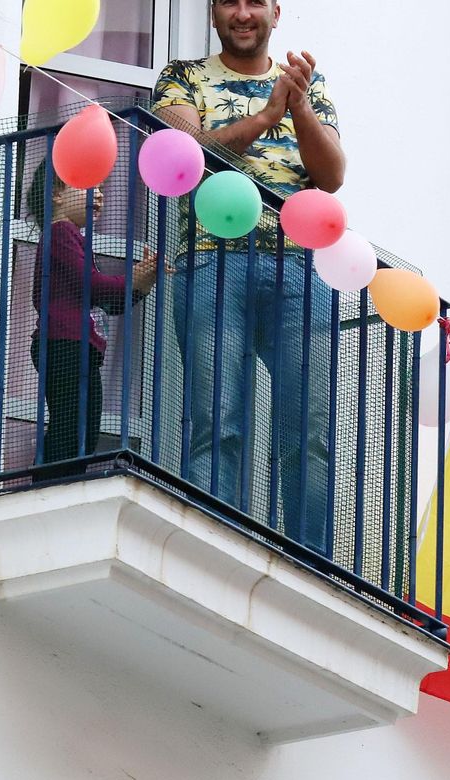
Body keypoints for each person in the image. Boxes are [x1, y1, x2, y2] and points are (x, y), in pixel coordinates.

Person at [152, 0, 344, 552]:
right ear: (213, 14)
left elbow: (330, 176)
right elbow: (186, 153)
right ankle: (218, 551)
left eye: (254, 2)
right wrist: (265, 116)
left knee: (307, 436)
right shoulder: (182, 77)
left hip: (298, 268)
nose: (242, 13)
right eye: (229, 2)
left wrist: (299, 107)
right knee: (219, 422)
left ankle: (313, 566)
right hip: (213, 259)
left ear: (275, 14)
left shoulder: (311, 85)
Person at [27, 163, 158, 466]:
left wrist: (141, 284)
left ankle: (66, 477)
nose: (99, 195)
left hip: (76, 347)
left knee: (81, 428)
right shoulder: (60, 232)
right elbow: (95, 287)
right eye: (89, 187)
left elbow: (110, 303)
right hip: (64, 344)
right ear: (57, 194)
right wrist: (133, 280)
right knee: (71, 426)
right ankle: (57, 481)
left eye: (100, 188)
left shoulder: (71, 236)